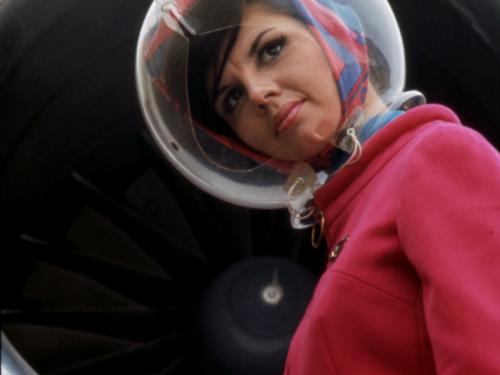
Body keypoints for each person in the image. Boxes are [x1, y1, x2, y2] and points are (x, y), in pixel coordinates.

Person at [136, 0, 500, 373]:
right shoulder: (346, 221)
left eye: (271, 49)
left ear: (330, 27)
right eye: (232, 97)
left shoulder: (436, 157)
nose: (258, 93)